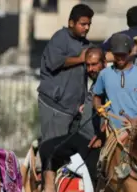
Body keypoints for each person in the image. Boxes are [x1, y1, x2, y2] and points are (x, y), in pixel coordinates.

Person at [23, 47, 106, 192]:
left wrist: (102, 136)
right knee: (47, 147)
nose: (91, 69)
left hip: (93, 140)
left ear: (104, 63)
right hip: (81, 135)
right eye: (88, 65)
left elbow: (112, 111)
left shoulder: (109, 80)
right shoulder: (97, 81)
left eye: (95, 65)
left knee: (94, 177)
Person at [36, 4, 94, 141]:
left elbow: (99, 56)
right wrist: (80, 59)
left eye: (89, 24)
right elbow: (54, 62)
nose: (86, 27)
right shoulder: (60, 38)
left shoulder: (85, 44)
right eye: (83, 24)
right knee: (53, 148)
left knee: (72, 152)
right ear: (71, 23)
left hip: (74, 110)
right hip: (55, 106)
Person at [93, 33, 137, 142]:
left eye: (123, 55)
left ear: (130, 53)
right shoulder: (104, 74)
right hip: (113, 132)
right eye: (117, 55)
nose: (120, 58)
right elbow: (96, 97)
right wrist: (99, 108)